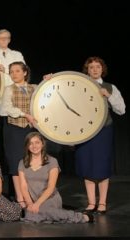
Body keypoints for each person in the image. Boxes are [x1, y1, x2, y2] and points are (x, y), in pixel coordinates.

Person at [76, 56, 125, 214]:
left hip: (103, 130)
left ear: (102, 69)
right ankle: (91, 202)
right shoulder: (79, 85)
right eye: (91, 67)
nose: (95, 70)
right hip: (84, 131)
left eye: (98, 67)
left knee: (102, 166)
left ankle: (102, 202)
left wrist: (108, 96)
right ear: (87, 70)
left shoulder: (110, 87)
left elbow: (121, 110)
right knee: (87, 164)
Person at [19, 132, 94, 223]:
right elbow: (23, 186)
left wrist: (37, 204)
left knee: (38, 213)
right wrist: (30, 203)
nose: (34, 146)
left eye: (37, 142)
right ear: (27, 146)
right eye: (30, 143)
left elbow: (51, 187)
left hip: (50, 199)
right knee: (32, 216)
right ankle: (53, 217)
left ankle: (80, 217)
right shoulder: (22, 163)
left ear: (42, 144)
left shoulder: (52, 161)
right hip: (33, 200)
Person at [0, 61, 37, 207]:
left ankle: (30, 195)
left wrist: (49, 79)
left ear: (25, 72)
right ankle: (20, 198)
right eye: (12, 71)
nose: (14, 74)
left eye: (17, 71)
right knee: (15, 163)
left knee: (30, 163)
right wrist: (25, 114)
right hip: (14, 129)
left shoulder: (34, 88)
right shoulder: (9, 89)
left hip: (30, 130)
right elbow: (7, 108)